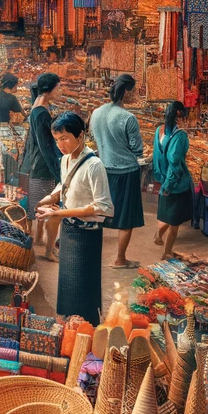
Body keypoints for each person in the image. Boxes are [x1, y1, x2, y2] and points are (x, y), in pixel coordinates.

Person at [35, 111, 114, 325]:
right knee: (68, 284)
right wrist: (49, 198)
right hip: (69, 231)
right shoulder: (66, 159)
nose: (60, 144)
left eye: (65, 138)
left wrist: (58, 212)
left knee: (83, 288)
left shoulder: (94, 166)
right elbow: (65, 183)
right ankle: (68, 323)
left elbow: (104, 207)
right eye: (57, 140)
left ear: (80, 136)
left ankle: (86, 330)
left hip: (87, 235)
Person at [90, 74, 145, 269]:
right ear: (127, 92)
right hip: (126, 172)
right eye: (134, 91)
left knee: (98, 214)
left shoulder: (96, 113)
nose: (135, 95)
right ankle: (120, 259)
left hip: (104, 169)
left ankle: (92, 255)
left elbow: (92, 137)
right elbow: (137, 149)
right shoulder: (128, 118)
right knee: (125, 218)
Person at [22, 72, 63, 260]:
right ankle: (46, 248)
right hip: (42, 164)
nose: (60, 91)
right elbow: (45, 145)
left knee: (40, 204)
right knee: (47, 207)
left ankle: (39, 240)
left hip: (38, 162)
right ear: (50, 89)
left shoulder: (38, 105)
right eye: (58, 87)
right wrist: (57, 167)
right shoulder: (41, 112)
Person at [153, 101, 193, 260]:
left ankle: (158, 235)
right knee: (175, 222)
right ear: (180, 116)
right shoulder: (180, 136)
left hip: (163, 180)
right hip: (175, 184)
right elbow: (175, 164)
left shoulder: (159, 130)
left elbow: (157, 157)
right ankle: (167, 252)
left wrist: (162, 182)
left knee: (167, 215)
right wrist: (169, 185)